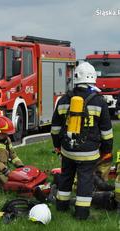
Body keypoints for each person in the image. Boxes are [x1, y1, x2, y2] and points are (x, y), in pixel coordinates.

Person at [51, 62, 113, 220]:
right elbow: (106, 132)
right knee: (85, 180)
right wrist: (106, 150)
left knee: (66, 177)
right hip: (89, 152)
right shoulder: (99, 101)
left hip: (68, 149)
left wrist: (58, 145)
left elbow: (55, 129)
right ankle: (81, 213)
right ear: (93, 79)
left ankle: (61, 207)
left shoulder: (64, 99)